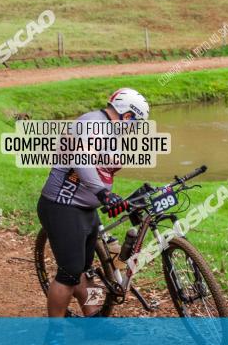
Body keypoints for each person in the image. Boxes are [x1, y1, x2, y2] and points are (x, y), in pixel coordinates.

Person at [37, 87, 150, 318]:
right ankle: (54, 336)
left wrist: (112, 196)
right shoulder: (91, 124)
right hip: (63, 207)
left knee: (85, 271)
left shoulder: (110, 130)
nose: (135, 129)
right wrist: (102, 193)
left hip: (87, 210)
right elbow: (82, 160)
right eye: (136, 123)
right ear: (127, 116)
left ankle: (94, 318)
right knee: (69, 273)